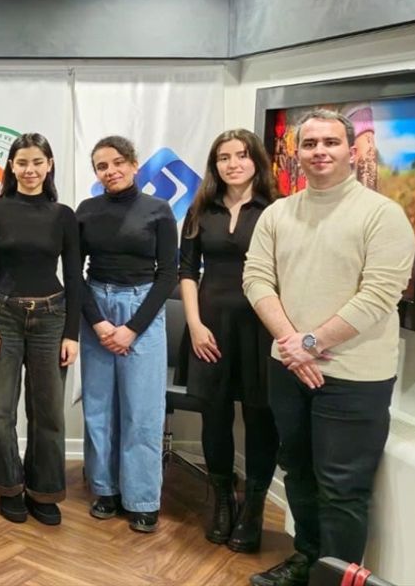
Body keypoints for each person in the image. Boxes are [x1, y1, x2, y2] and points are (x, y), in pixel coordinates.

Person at [244, 110, 415, 586]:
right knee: (298, 472)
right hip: (288, 367)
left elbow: (379, 294)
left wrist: (311, 343)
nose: (320, 151)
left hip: (354, 377)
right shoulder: (278, 214)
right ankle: (306, 560)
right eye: (310, 143)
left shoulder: (383, 215)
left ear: (352, 151)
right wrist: (292, 345)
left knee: (342, 489)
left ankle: (335, 579)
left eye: (331, 142)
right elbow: (256, 278)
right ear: (296, 153)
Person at [0, 133, 81, 526]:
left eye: (37, 162)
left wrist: (72, 334)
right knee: (1, 411)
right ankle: (9, 487)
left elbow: (75, 277)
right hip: (4, 316)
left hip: (52, 317)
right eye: (22, 163)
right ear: (11, 167)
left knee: (48, 412)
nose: (30, 170)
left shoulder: (63, 215)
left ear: (49, 165)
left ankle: (44, 491)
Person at [178, 129, 280, 551]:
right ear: (214, 164)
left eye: (241, 155)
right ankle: (221, 500)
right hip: (210, 327)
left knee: (260, 418)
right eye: (224, 157)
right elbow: (187, 271)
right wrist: (195, 324)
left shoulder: (276, 209)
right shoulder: (200, 209)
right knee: (214, 414)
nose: (232, 163)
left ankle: (253, 508)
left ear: (256, 160)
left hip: (262, 327)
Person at [77, 135, 177, 534]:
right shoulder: (86, 211)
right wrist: (98, 322)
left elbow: (167, 275)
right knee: (99, 408)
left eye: (118, 163)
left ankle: (142, 499)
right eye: (102, 166)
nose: (111, 171)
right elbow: (74, 273)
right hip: (97, 309)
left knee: (142, 411)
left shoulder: (158, 210)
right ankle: (105, 490)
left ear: (135, 165)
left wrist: (133, 328)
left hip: (142, 309)